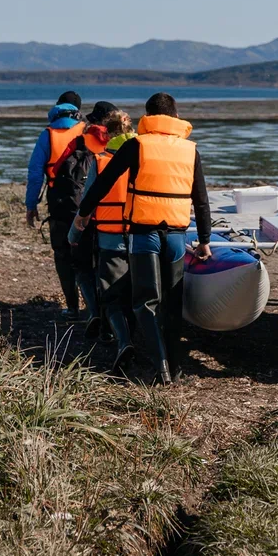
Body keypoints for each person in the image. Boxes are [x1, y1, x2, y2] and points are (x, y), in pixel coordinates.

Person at [74, 92, 212, 385]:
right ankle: (175, 369)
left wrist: (83, 214)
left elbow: (105, 182)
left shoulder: (138, 145)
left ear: (148, 116)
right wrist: (205, 239)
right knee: (172, 303)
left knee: (145, 302)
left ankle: (160, 366)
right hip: (176, 235)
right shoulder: (190, 150)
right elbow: (201, 199)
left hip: (142, 234)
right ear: (175, 116)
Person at [69, 109, 135, 366]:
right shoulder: (146, 157)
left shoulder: (101, 161)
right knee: (138, 294)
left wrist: (74, 234)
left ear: (107, 133)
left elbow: (87, 203)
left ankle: (123, 341)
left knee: (111, 295)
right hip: (143, 237)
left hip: (110, 238)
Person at [53, 100, 119, 330]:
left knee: (81, 266)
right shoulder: (122, 144)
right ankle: (110, 316)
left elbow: (57, 171)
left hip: (80, 212)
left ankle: (92, 311)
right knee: (106, 267)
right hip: (112, 216)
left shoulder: (81, 141)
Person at [25, 91, 85, 318]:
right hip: (87, 203)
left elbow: (34, 174)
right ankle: (95, 307)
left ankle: (72, 307)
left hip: (59, 203)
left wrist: (31, 205)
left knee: (63, 255)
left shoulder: (47, 135)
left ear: (58, 107)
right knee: (87, 256)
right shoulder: (87, 132)